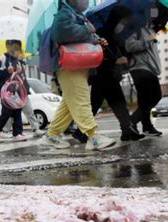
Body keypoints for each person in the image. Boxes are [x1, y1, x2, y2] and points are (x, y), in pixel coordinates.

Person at [41, 0, 116, 150]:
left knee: (69, 103)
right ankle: (93, 136)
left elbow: (80, 35)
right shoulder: (64, 13)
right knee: (81, 99)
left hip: (74, 65)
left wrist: (95, 39)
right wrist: (89, 30)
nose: (85, 1)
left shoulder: (75, 14)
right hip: (69, 65)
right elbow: (62, 32)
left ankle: (52, 135)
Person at [74, 6, 145, 142]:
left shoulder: (113, 34)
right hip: (102, 74)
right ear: (117, 20)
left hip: (107, 74)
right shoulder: (101, 33)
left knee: (101, 103)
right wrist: (116, 60)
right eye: (124, 22)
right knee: (115, 101)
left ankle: (82, 131)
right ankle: (126, 130)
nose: (124, 25)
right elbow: (97, 53)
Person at [0, 40, 46, 138]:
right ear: (8, 47)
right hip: (6, 92)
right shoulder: (2, 59)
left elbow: (19, 77)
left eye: (18, 49)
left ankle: (18, 133)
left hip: (17, 91)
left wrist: (23, 86)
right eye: (15, 48)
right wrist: (6, 70)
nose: (18, 51)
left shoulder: (17, 62)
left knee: (18, 112)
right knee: (7, 113)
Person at [125, 14, 163, 137]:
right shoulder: (135, 28)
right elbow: (129, 46)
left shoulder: (149, 29)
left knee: (146, 100)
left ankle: (146, 127)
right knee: (154, 96)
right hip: (140, 67)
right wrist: (146, 40)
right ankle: (131, 121)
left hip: (150, 67)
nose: (153, 14)